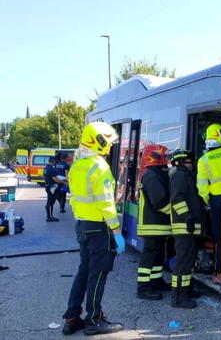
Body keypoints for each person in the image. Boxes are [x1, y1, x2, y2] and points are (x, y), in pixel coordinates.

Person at [61, 121, 125, 336]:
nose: (110, 147)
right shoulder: (101, 167)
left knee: (84, 271)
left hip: (82, 225)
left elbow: (75, 200)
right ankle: (94, 320)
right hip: (99, 228)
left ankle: (72, 318)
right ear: (99, 142)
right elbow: (106, 204)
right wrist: (116, 231)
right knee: (98, 273)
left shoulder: (77, 166)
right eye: (108, 143)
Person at [136, 144, 172, 301]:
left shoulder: (156, 174)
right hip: (152, 225)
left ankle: (156, 281)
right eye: (165, 156)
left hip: (158, 224)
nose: (168, 159)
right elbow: (159, 201)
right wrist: (176, 213)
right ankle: (143, 288)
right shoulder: (151, 175)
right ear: (156, 157)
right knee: (150, 255)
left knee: (158, 255)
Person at [169, 149, 204, 308]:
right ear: (182, 162)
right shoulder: (180, 176)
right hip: (184, 227)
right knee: (182, 263)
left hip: (189, 228)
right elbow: (177, 200)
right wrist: (187, 217)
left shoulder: (186, 175)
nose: (193, 164)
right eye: (190, 162)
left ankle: (186, 289)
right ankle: (178, 297)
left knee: (189, 261)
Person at [197, 123, 221, 285]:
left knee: (218, 237)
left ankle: (219, 272)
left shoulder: (203, 160)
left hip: (215, 201)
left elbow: (202, 188)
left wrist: (210, 201)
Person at [43, 156, 64, 222]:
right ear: (53, 161)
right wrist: (64, 182)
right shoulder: (51, 169)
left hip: (47, 186)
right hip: (52, 187)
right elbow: (55, 179)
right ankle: (49, 217)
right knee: (51, 202)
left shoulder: (45, 168)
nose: (55, 163)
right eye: (55, 162)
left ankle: (50, 216)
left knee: (50, 201)